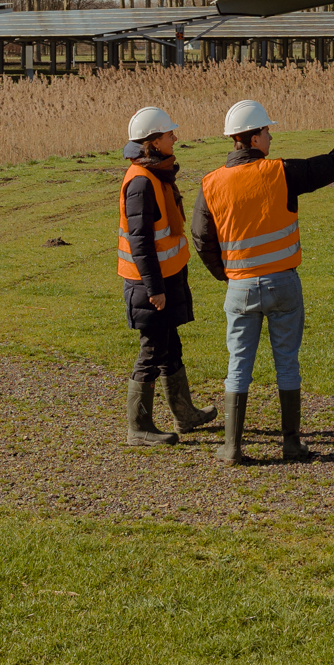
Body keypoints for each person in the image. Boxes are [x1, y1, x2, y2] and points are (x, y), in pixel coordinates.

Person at [193, 100, 334, 464]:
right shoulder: (280, 172)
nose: (271, 136)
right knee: (287, 362)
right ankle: (291, 444)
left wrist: (227, 274)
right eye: (267, 131)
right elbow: (331, 165)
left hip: (240, 287)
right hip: (283, 285)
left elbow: (201, 237)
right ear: (255, 137)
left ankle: (231, 447)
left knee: (238, 364)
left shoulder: (211, 183)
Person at [117, 106, 216, 446]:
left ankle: (184, 414)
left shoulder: (156, 174)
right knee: (152, 351)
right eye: (169, 134)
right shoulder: (142, 183)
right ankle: (139, 428)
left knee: (170, 346)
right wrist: (154, 289)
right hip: (150, 285)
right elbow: (140, 241)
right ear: (154, 142)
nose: (176, 137)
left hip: (164, 279)